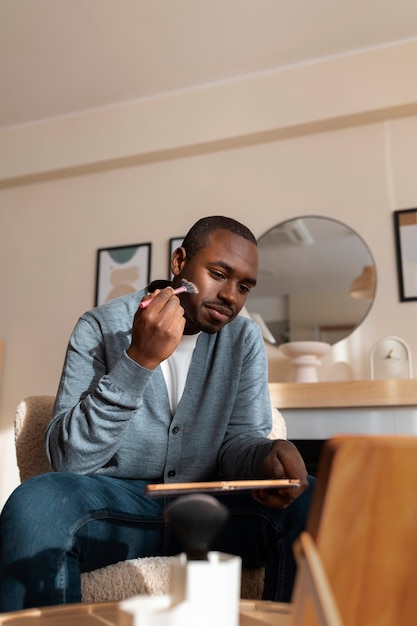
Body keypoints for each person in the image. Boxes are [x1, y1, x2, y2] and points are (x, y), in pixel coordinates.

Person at [0, 215, 313, 613]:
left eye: (245, 286)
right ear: (179, 262)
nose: (232, 296)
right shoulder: (100, 327)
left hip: (211, 509)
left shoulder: (243, 340)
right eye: (219, 274)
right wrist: (139, 360)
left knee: (313, 499)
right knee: (35, 503)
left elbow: (239, 443)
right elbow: (70, 460)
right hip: (116, 509)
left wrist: (268, 454)